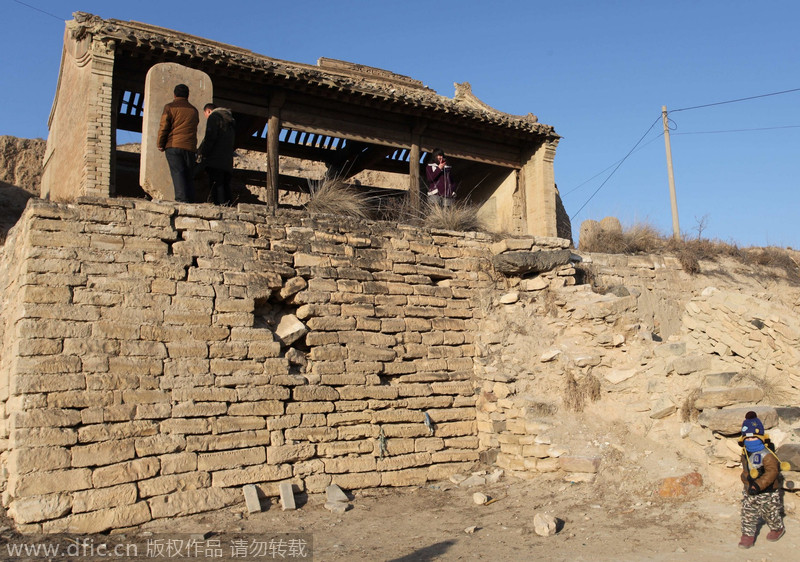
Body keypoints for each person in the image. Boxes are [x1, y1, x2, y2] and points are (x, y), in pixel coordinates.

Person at [737, 410, 785, 549]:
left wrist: (758, 485)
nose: (750, 440)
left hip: (768, 491)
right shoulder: (745, 452)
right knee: (748, 512)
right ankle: (747, 535)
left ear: (761, 437)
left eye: (754, 438)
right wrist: (745, 480)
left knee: (770, 513)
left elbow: (772, 472)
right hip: (750, 490)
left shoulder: (767, 454)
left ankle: (777, 528)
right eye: (748, 438)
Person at [157, 84, 199, 203]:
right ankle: (190, 199)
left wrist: (160, 143)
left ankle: (181, 200)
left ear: (174, 95)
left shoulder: (170, 107)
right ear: (187, 95)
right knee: (188, 174)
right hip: (190, 147)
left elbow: (164, 127)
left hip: (174, 144)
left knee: (177, 172)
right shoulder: (194, 110)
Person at [198, 103, 236, 205]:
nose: (206, 117)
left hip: (215, 160)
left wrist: (204, 153)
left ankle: (220, 209)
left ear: (208, 111)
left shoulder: (214, 118)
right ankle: (228, 208)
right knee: (225, 186)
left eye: (205, 114)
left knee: (217, 186)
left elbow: (210, 138)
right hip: (227, 161)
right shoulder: (230, 121)